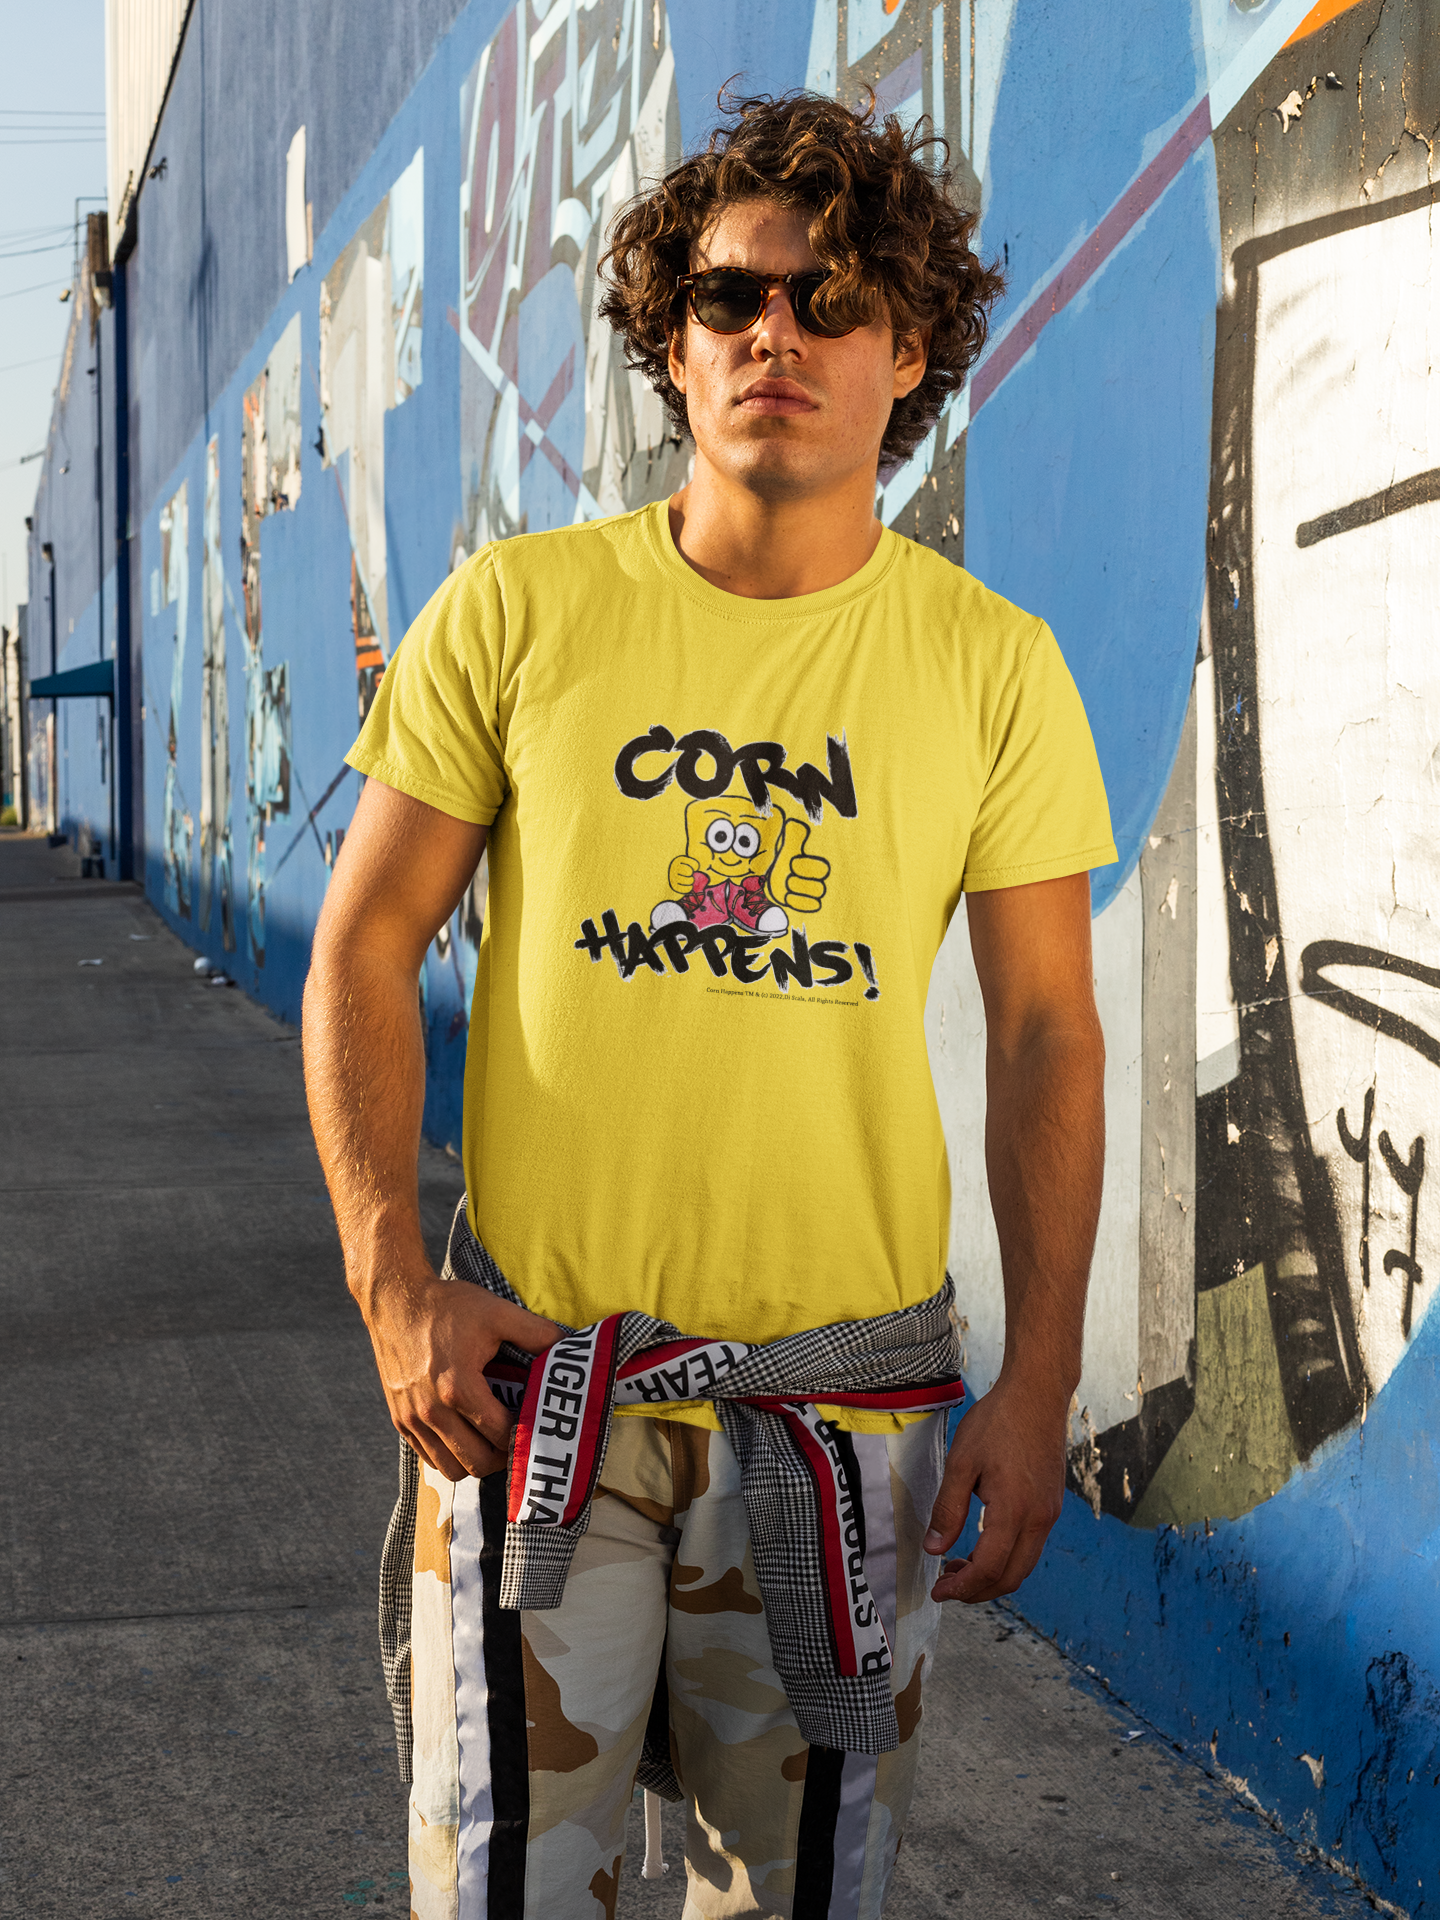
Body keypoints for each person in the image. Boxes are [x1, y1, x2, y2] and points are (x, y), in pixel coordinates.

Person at [304, 89, 1114, 1920]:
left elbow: (1047, 1034)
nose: (778, 335)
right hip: (537, 1400)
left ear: (910, 351)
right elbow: (364, 943)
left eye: (834, 301)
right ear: (673, 344)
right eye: (732, 297)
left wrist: (1041, 1374)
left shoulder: (990, 669)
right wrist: (390, 1282)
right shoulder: (517, 613)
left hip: (843, 1427)